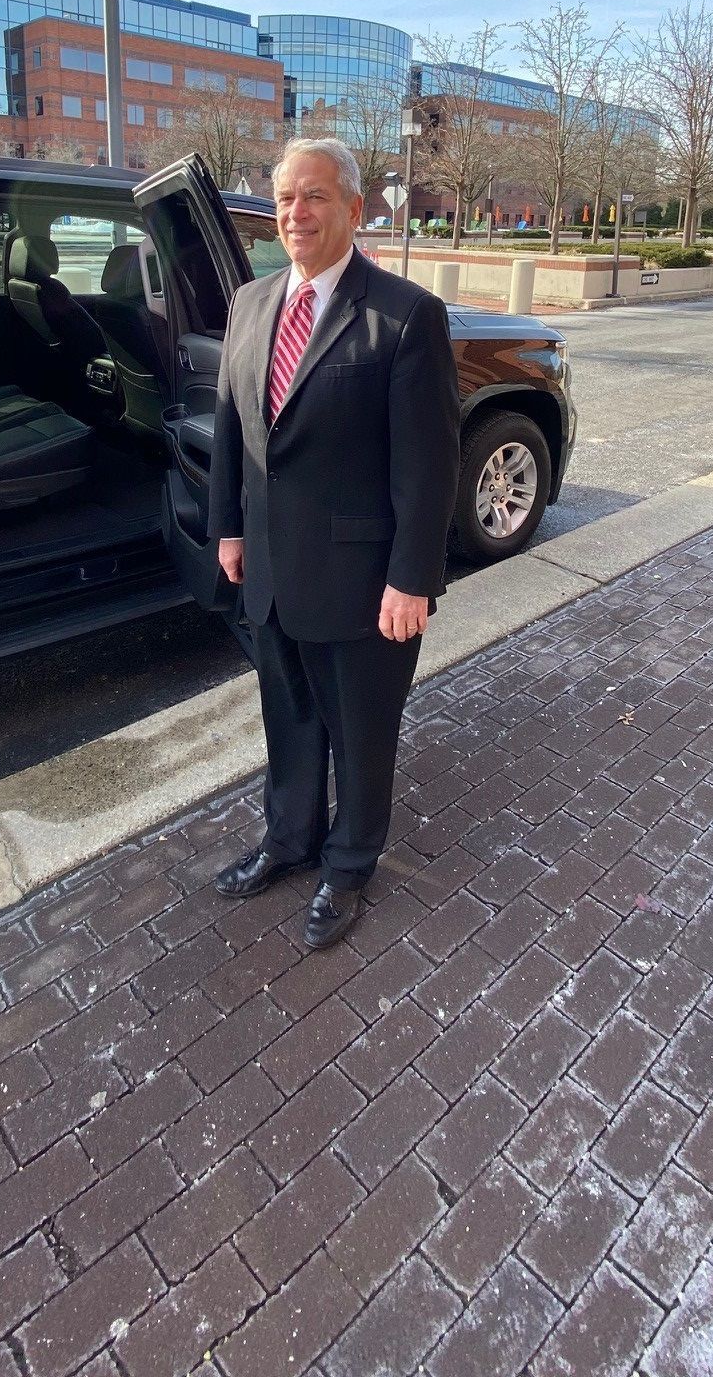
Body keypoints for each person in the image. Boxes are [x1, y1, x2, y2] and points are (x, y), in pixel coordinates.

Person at [209, 138, 459, 949]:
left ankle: (348, 864)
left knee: (359, 732)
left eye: (314, 197)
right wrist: (230, 528)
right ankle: (290, 839)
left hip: (362, 581)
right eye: (284, 198)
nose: (295, 213)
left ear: (354, 208)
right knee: (287, 715)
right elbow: (232, 431)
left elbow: (428, 463)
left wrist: (412, 578)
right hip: (274, 571)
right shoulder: (250, 304)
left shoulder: (404, 314)